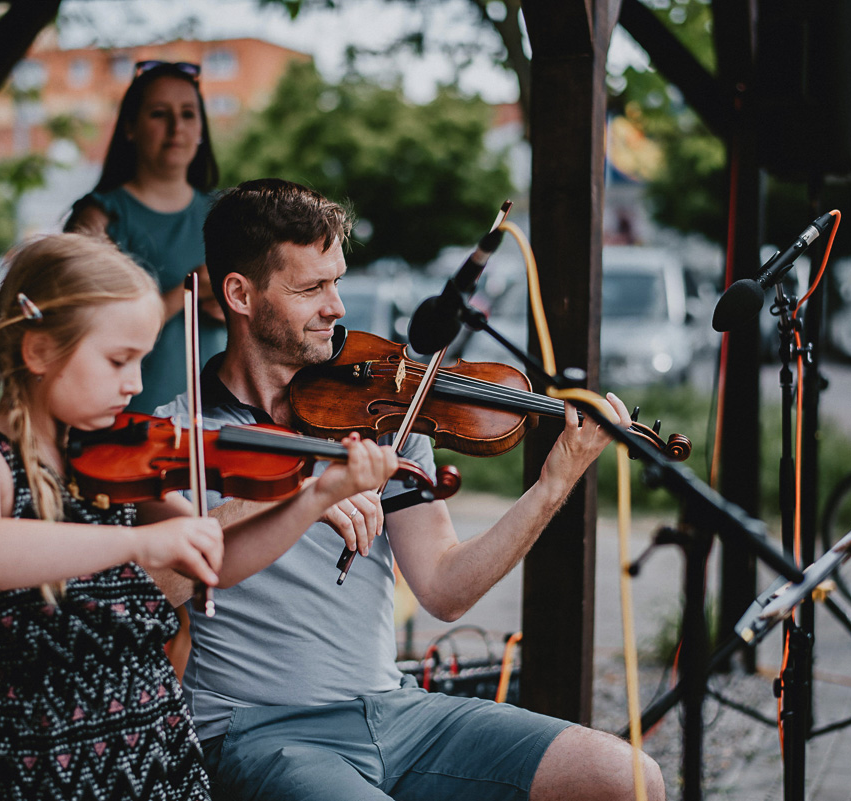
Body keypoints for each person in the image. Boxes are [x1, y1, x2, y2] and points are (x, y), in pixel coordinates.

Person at [154, 179, 666, 801]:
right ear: (239, 293)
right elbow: (167, 582)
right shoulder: (175, 436)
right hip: (259, 730)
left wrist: (552, 486)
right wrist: (300, 490)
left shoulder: (381, 416)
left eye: (337, 280)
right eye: (311, 288)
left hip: (395, 712)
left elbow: (446, 590)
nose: (336, 306)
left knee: (628, 779)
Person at [0, 232, 400, 800]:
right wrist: (136, 547)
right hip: (42, 761)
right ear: (38, 352)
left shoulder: (114, 451)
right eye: (118, 361)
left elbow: (216, 559)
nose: (135, 385)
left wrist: (308, 497)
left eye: (141, 360)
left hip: (154, 753)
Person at [65, 59, 226, 413]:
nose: (176, 127)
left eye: (187, 114)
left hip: (220, 424)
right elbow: (89, 331)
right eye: (158, 113)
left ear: (201, 128)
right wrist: (188, 290)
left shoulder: (228, 214)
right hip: (130, 424)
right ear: (129, 127)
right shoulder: (97, 217)